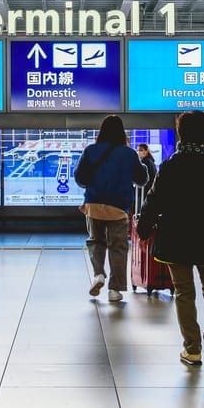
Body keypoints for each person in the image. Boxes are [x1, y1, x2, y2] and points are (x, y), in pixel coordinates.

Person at [138, 110, 204, 367]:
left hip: (177, 240)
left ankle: (192, 349)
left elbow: (154, 200)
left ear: (181, 133)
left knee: (184, 293)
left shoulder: (170, 166)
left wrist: (143, 230)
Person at [74, 114, 147, 303]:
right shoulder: (129, 153)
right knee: (118, 247)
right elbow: (142, 180)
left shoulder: (90, 150)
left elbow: (80, 178)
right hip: (118, 207)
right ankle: (115, 289)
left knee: (95, 241)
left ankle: (98, 274)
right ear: (121, 132)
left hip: (94, 204)